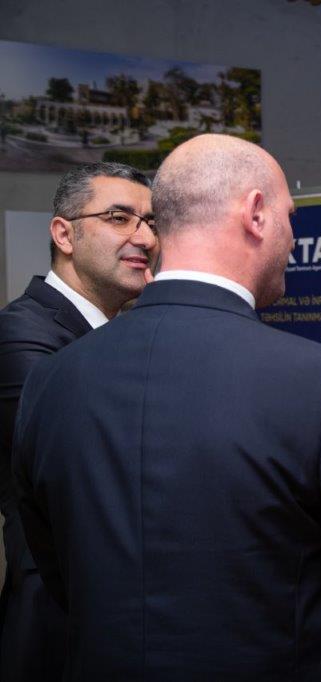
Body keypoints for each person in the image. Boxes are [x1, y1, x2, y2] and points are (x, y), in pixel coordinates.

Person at [12, 134, 321, 680]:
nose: (294, 239)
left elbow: (55, 563)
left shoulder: (53, 379)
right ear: (255, 213)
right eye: (290, 218)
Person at [0, 161, 157, 681]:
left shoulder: (120, 333)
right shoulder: (20, 336)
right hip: (57, 633)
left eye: (151, 222)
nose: (145, 238)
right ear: (64, 234)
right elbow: (107, 461)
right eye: (119, 218)